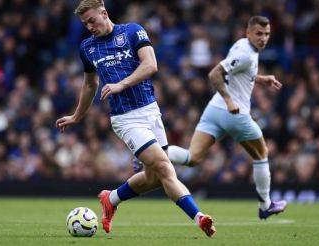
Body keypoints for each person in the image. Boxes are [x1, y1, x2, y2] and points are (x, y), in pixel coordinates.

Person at [55, 0, 215, 237]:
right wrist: (77, 116)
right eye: (85, 23)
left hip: (150, 110)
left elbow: (151, 65)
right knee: (164, 166)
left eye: (92, 20)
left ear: (104, 13)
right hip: (125, 118)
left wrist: (121, 84)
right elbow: (90, 84)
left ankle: (112, 198)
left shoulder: (132, 31)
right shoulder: (87, 47)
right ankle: (199, 217)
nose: (89, 26)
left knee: (154, 178)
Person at [168, 16, 287, 219]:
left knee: (192, 157)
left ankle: (153, 153)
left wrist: (261, 79)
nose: (264, 38)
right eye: (259, 33)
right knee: (261, 154)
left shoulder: (242, 45)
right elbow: (214, 74)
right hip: (234, 113)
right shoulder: (247, 54)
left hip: (214, 110)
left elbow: (237, 72)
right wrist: (229, 100)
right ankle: (265, 205)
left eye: (267, 34)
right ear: (248, 32)